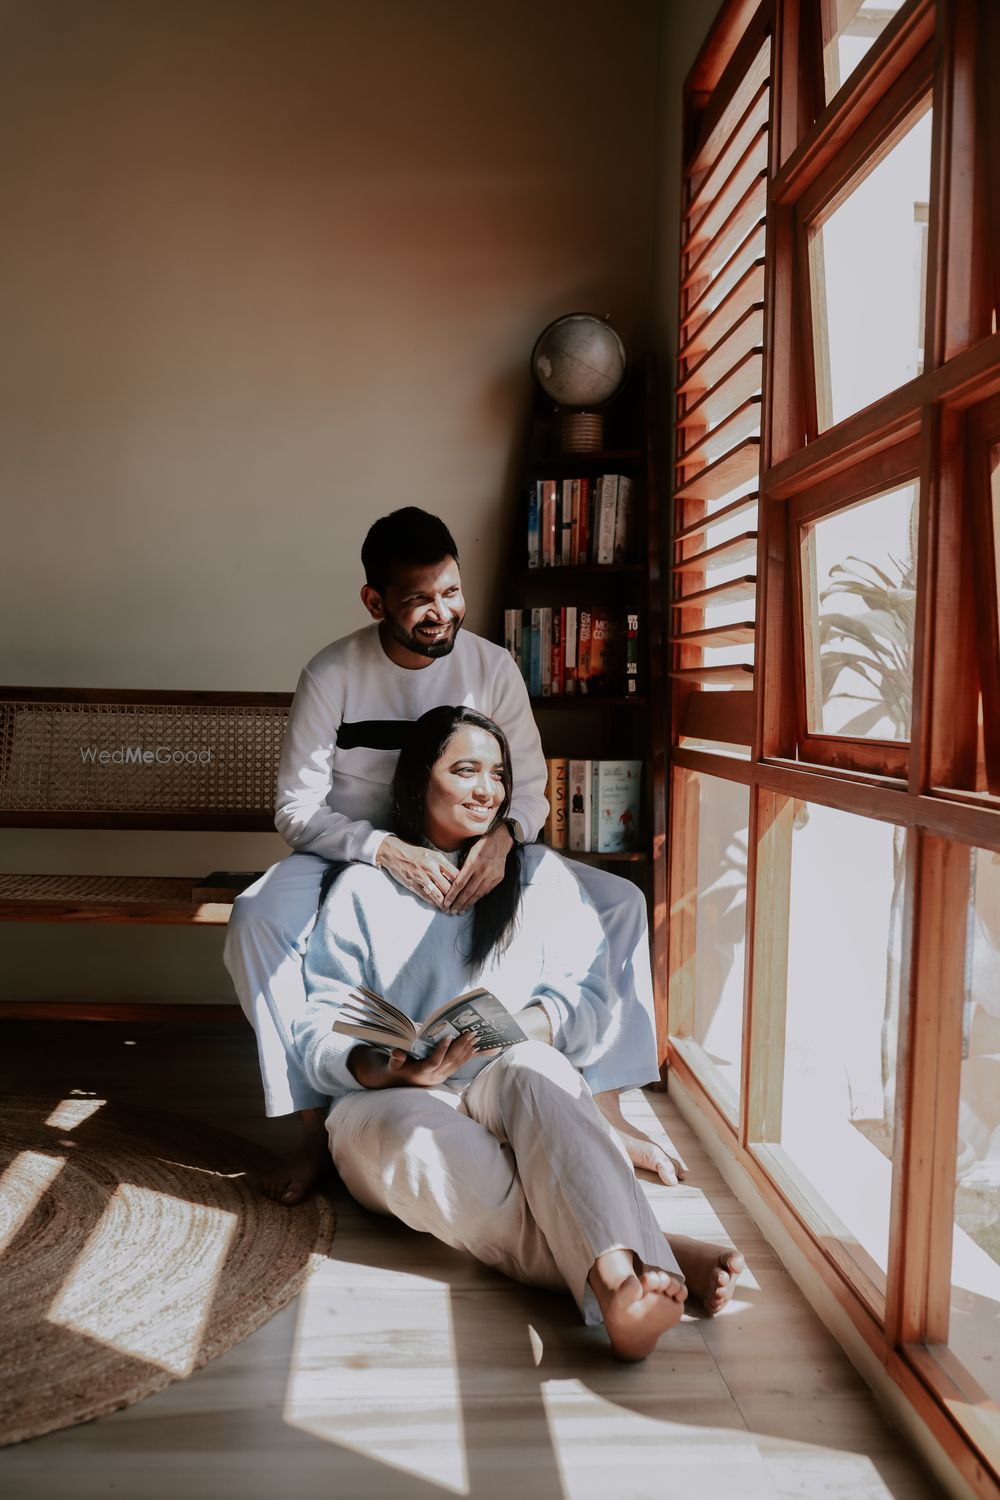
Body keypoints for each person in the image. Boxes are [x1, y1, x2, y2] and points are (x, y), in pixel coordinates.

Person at [224, 507, 679, 1204]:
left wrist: (503, 839)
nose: (442, 613)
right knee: (256, 919)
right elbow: (296, 810)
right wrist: (383, 850)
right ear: (374, 601)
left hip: (468, 840)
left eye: (451, 591)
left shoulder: (491, 666)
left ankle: (606, 1107)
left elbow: (530, 788)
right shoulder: (332, 671)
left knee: (621, 901)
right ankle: (313, 1127)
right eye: (419, 600)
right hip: (355, 849)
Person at [292, 706, 743, 1360]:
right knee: (408, 1140)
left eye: (498, 774)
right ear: (419, 779)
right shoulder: (362, 888)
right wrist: (383, 1067)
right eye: (465, 770)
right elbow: (320, 1021)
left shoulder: (539, 877)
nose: (487, 790)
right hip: (394, 1098)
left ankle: (619, 1290)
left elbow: (593, 1001)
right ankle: (640, 1258)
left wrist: (517, 1030)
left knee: (540, 1070)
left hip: (507, 1083)